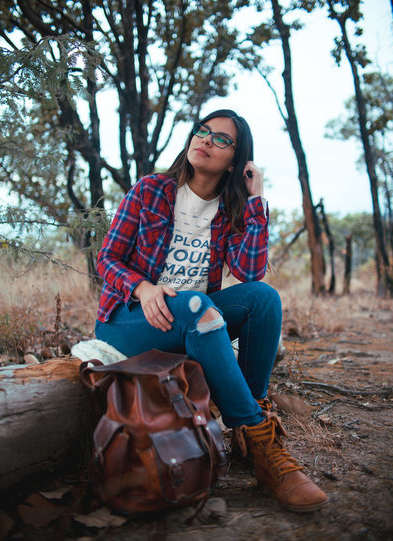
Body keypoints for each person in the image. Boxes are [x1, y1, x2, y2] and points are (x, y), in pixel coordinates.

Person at [95, 109, 328, 513]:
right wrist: (144, 287)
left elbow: (250, 272)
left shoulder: (230, 210)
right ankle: (262, 443)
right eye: (203, 132)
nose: (205, 140)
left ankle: (247, 430)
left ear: (236, 162)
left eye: (221, 139)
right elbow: (107, 258)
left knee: (264, 299)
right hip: (127, 321)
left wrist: (256, 202)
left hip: (191, 317)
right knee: (193, 302)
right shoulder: (151, 190)